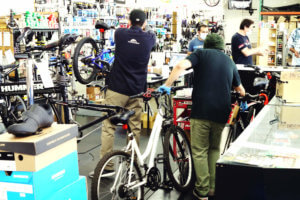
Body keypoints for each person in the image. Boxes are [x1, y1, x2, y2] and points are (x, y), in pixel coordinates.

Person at [158, 34, 245, 200]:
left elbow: (179, 66)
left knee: (199, 150)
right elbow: (240, 90)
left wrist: (167, 85)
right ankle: (212, 188)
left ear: (207, 45)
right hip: (222, 112)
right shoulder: (229, 61)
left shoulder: (200, 54)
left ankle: (202, 190)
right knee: (214, 149)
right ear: (221, 46)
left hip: (202, 110)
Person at [89, 9, 156, 177]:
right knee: (134, 128)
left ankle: (107, 166)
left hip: (116, 88)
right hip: (136, 91)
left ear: (129, 20)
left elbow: (123, 30)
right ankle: (131, 164)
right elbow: (149, 34)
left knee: (108, 126)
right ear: (145, 23)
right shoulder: (149, 39)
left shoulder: (119, 34)